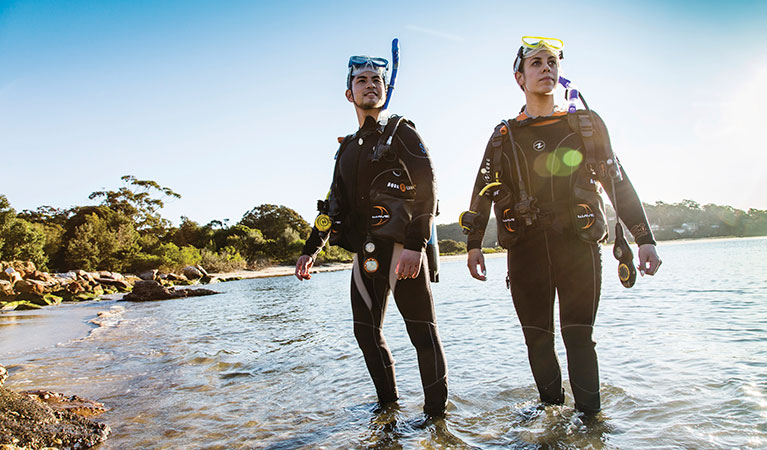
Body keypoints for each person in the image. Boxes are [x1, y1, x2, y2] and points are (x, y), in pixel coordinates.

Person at [460, 36, 661, 414]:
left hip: (578, 249)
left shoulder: (585, 125)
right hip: (526, 252)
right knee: (537, 341)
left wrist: (644, 238)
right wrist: (473, 244)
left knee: (579, 337)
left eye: (552, 62)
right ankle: (551, 416)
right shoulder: (504, 135)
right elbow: (482, 191)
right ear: (519, 77)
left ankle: (591, 426)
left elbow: (617, 182)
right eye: (536, 63)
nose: (546, 69)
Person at [295, 51, 448, 417]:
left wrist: (416, 246)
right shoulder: (346, 149)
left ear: (386, 90)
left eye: (376, 80)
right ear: (349, 93)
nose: (369, 85)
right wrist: (309, 250)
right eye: (361, 80)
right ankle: (388, 409)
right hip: (364, 254)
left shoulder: (401, 133)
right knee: (366, 334)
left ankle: (436, 420)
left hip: (402, 250)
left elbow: (428, 188)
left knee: (421, 335)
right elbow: (331, 206)